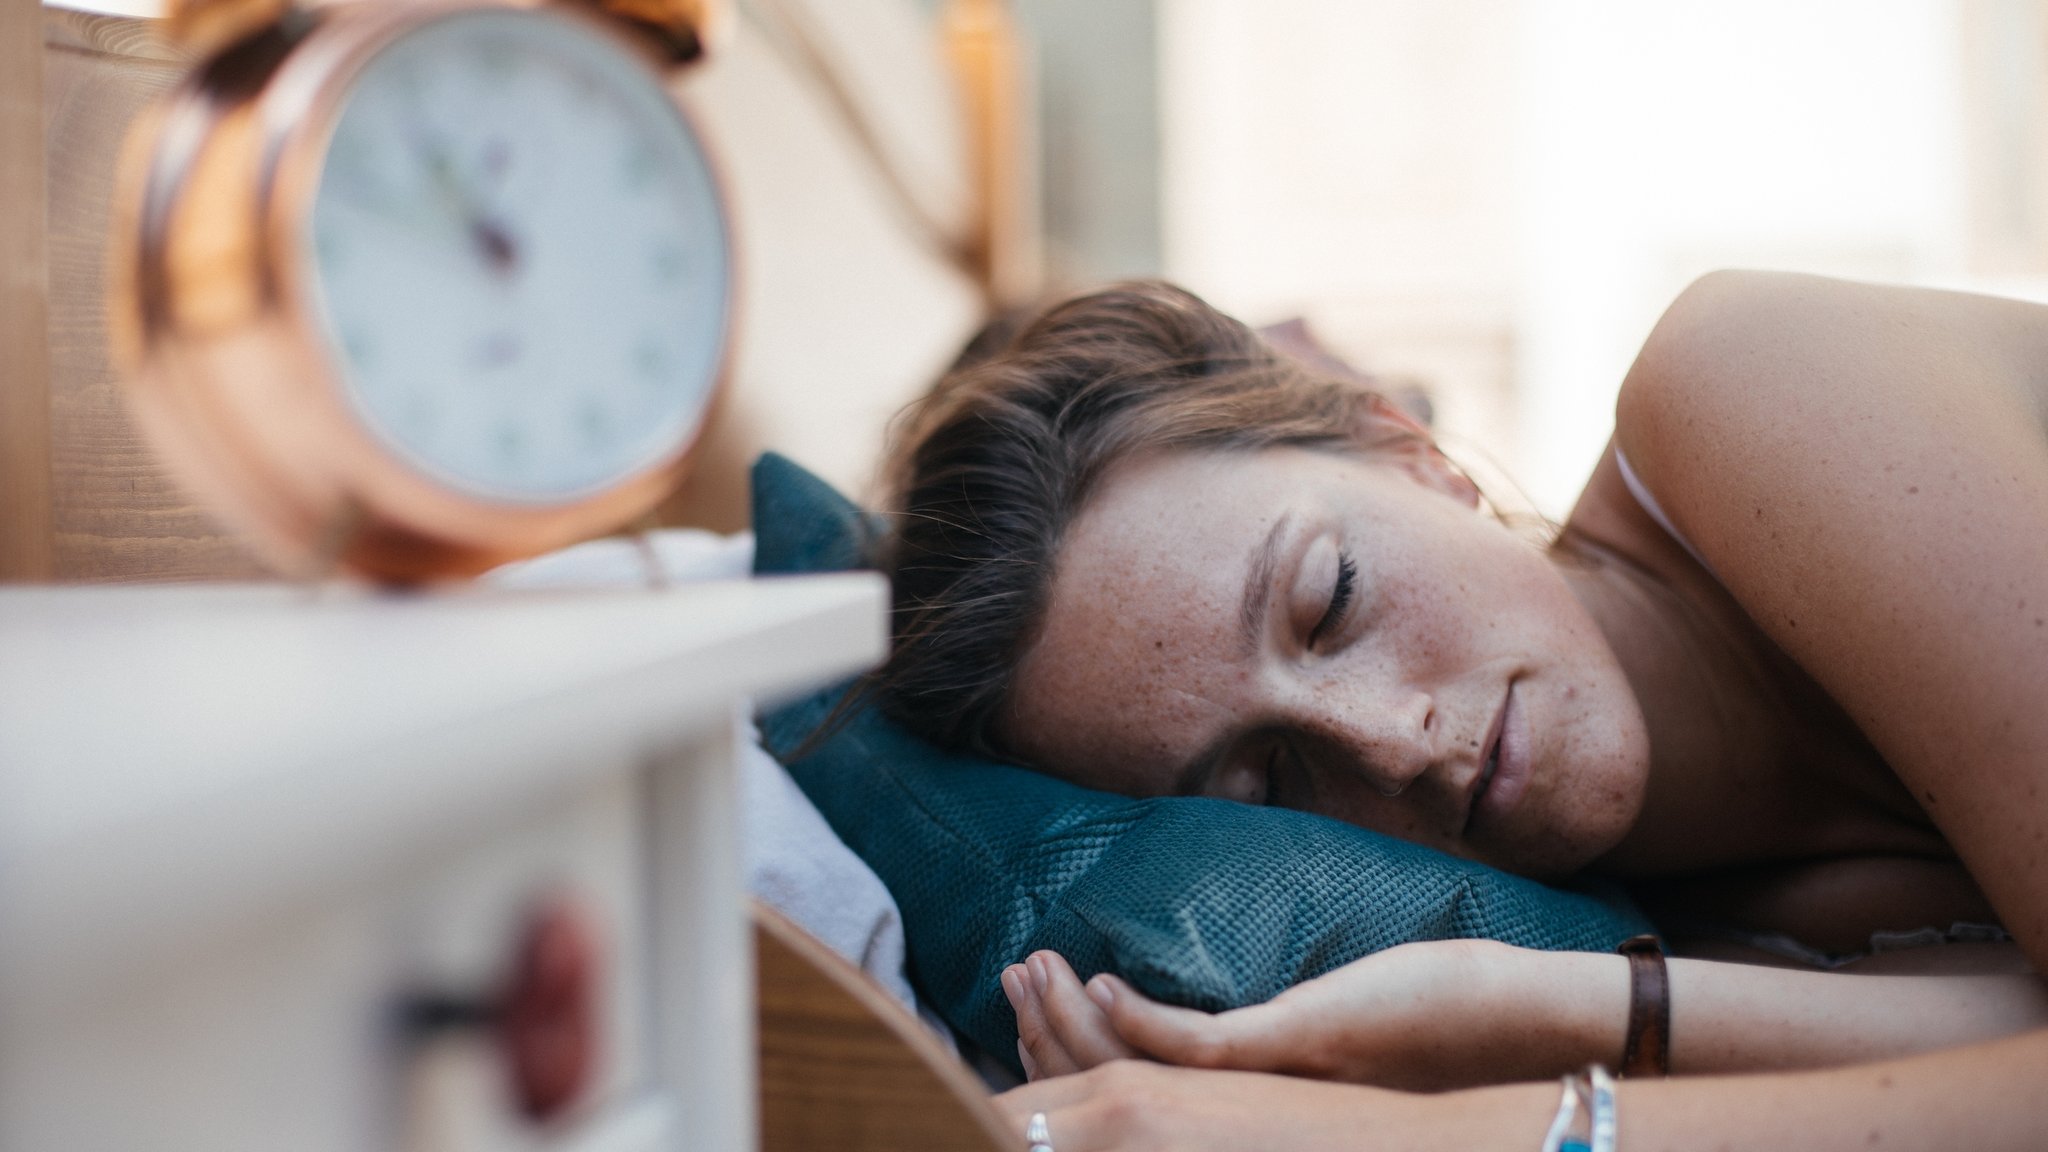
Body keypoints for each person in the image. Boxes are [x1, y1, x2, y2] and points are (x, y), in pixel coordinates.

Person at [872, 273, 2048, 1150]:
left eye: (1328, 599)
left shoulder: (1754, 383)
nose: (1390, 745)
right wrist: (1554, 1004)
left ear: (1407, 448)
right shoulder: (1644, 930)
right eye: (1273, 785)